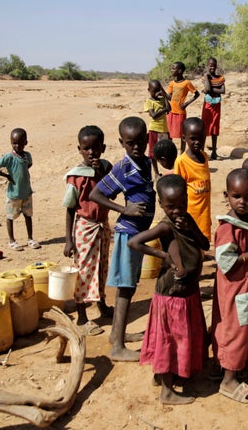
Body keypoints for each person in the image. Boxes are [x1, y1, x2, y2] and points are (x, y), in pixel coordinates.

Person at [128, 174, 210, 405]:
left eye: (181, 205)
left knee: (180, 337)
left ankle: (165, 375)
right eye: (171, 207)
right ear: (162, 204)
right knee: (169, 340)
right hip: (172, 293)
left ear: (187, 199)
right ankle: (166, 391)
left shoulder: (187, 219)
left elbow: (204, 244)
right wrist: (163, 255)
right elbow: (134, 242)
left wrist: (191, 228)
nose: (177, 211)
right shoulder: (165, 226)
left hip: (188, 292)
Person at [89, 116, 156, 361]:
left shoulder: (145, 162)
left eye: (140, 141)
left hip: (138, 233)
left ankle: (118, 334)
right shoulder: (123, 168)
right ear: (121, 143)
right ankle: (117, 347)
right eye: (130, 143)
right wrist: (123, 209)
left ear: (147, 139)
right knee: (126, 288)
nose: (136, 147)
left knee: (128, 287)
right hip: (129, 233)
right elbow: (96, 194)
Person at [212, 168, 248, 404]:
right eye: (237, 196)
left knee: (246, 326)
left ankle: (236, 365)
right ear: (227, 195)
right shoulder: (228, 228)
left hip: (247, 286)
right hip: (235, 289)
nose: (242, 202)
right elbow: (225, 262)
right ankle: (228, 380)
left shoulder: (246, 222)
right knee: (234, 329)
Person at [62, 125, 113, 336]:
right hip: (85, 227)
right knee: (83, 271)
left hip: (103, 225)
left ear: (103, 148)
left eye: (95, 148)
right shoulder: (75, 177)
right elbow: (69, 208)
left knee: (101, 267)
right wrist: (68, 240)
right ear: (79, 149)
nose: (91, 152)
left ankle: (101, 303)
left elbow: (111, 192)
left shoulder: (106, 168)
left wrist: (100, 171)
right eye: (86, 148)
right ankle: (82, 316)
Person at [0, 127, 41, 251]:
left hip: (27, 192)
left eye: (19, 143)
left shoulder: (27, 155)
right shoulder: (8, 157)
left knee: (28, 215)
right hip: (13, 194)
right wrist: (7, 176)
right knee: (10, 217)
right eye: (14, 143)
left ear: (25, 143)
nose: (16, 146)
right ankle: (12, 241)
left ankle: (30, 239)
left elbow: (29, 165)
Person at [174, 117, 211, 241]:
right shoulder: (182, 162)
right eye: (193, 139)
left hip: (204, 212)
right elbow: (177, 190)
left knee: (203, 238)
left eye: (201, 138)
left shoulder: (204, 157)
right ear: (184, 138)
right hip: (190, 213)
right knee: (192, 240)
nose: (197, 142)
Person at [166, 62, 200, 154]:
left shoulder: (186, 83)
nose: (171, 70)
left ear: (180, 71)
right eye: (171, 68)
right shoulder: (171, 83)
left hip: (180, 112)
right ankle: (170, 152)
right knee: (169, 133)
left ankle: (182, 153)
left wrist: (187, 103)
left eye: (173, 68)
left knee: (182, 134)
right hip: (171, 112)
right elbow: (170, 97)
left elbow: (197, 94)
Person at [144, 79, 170, 177]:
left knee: (164, 151)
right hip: (154, 129)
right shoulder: (149, 101)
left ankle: (167, 170)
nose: (156, 93)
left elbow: (169, 108)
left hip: (163, 129)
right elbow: (153, 115)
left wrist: (165, 97)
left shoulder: (162, 100)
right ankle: (156, 173)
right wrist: (164, 109)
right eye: (154, 90)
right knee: (153, 153)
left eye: (158, 90)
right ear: (149, 90)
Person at [201, 57, 226, 161]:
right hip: (207, 105)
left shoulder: (220, 78)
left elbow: (223, 90)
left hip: (216, 105)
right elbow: (207, 88)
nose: (212, 67)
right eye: (210, 65)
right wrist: (211, 87)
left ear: (216, 66)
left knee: (215, 127)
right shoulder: (205, 77)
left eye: (214, 65)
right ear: (207, 66)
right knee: (205, 126)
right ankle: (202, 152)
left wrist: (211, 89)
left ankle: (214, 152)